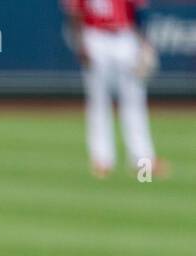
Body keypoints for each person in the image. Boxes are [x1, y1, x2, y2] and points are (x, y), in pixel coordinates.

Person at [64, 0, 168, 178]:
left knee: (134, 101)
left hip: (124, 36)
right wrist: (80, 44)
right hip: (95, 35)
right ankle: (101, 159)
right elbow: (74, 12)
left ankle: (142, 160)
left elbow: (138, 12)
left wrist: (143, 43)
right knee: (98, 102)